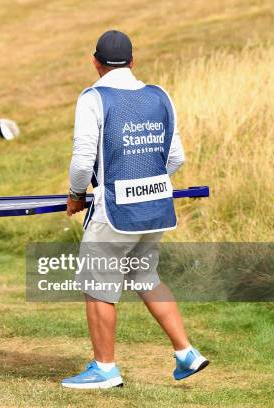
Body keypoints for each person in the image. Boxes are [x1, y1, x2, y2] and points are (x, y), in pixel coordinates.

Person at [62, 30, 209, 388]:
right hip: (155, 206)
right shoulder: (160, 96)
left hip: (114, 212)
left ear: (95, 62)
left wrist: (75, 193)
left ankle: (105, 369)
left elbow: (83, 161)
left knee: (98, 285)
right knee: (145, 277)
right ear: (133, 60)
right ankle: (186, 353)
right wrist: (144, 184)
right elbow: (175, 158)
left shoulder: (93, 98)